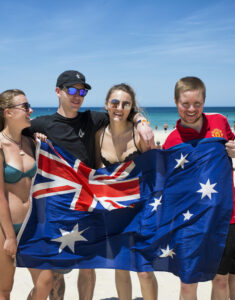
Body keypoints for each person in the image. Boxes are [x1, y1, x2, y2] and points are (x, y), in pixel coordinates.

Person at [25, 70, 155, 300]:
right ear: (58, 91)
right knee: (56, 271)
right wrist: (32, 139)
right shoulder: (41, 125)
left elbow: (124, 110)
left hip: (91, 204)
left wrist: (142, 122)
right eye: (71, 90)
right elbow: (11, 130)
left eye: (82, 91)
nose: (77, 95)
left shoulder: (93, 119)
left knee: (88, 265)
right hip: (61, 204)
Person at [162, 76, 235, 300]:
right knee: (188, 283)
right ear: (175, 101)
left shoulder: (219, 122)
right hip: (190, 221)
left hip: (226, 216)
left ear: (204, 101)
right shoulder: (172, 141)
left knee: (221, 280)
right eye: (185, 104)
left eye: (197, 104)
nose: (191, 109)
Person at [95, 83, 158, 300]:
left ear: (132, 107)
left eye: (125, 104)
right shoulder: (99, 136)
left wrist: (142, 121)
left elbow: (156, 171)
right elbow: (97, 173)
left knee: (144, 270)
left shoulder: (140, 135)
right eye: (115, 102)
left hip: (141, 210)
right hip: (114, 211)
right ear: (106, 105)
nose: (119, 107)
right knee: (120, 267)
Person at [0, 89, 52, 300]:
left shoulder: (30, 143)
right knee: (4, 289)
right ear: (8, 113)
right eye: (25, 107)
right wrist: (10, 236)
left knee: (45, 281)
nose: (30, 110)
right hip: (4, 228)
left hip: (32, 226)